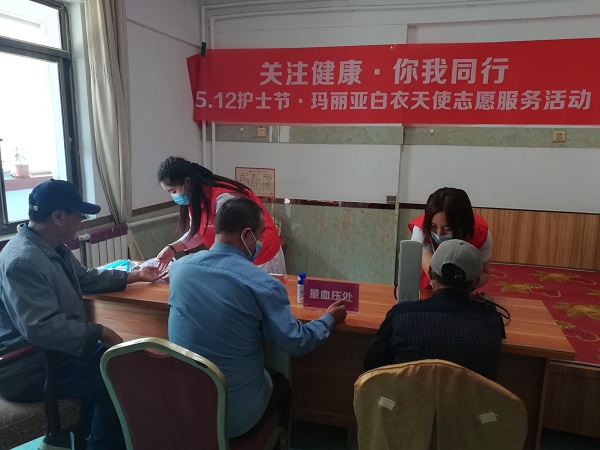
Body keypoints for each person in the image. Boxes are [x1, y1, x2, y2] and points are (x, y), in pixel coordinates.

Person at [0, 180, 164, 450]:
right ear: (58, 217)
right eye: (78, 214)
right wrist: (101, 332)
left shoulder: (53, 247)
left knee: (123, 364)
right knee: (118, 382)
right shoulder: (23, 260)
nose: (81, 220)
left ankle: (76, 439)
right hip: (27, 367)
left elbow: (85, 278)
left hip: (55, 354)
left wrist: (135, 276)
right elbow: (42, 327)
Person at [168, 197, 347, 438]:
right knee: (282, 385)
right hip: (235, 418)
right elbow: (297, 342)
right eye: (260, 234)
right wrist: (329, 318)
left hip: (186, 408)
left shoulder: (179, 269)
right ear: (246, 235)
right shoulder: (262, 285)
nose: (261, 242)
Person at [364, 239, 505, 380]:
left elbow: (371, 365)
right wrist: (489, 307)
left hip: (408, 395)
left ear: (431, 273)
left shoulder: (400, 315)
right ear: (476, 283)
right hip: (469, 395)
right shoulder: (491, 320)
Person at [156, 156, 285, 274]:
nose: (173, 196)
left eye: (173, 191)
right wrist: (172, 248)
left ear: (187, 183)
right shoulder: (194, 200)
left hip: (261, 256)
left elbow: (233, 240)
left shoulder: (224, 199)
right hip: (236, 259)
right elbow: (199, 232)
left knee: (265, 290)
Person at [408, 187, 492, 290]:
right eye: (433, 226)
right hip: (428, 288)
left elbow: (485, 272)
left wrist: (468, 287)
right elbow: (433, 274)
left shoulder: (480, 233)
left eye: (448, 228)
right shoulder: (421, 229)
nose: (439, 234)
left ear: (462, 225)